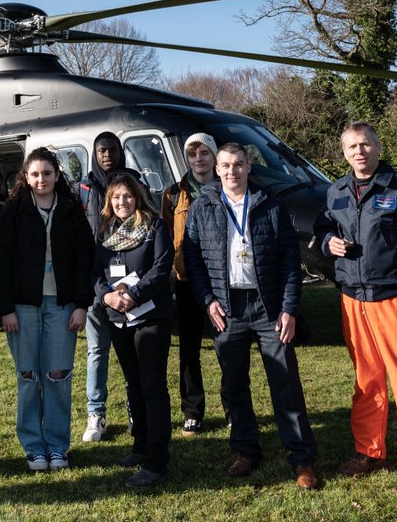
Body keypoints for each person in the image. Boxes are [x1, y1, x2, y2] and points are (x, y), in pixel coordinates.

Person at [314, 121, 397, 498]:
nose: (359, 151)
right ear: (344, 152)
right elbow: (323, 230)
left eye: (365, 144)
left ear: (378, 147)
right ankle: (369, 452)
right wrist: (328, 244)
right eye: (352, 146)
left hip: (394, 299)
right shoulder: (336, 190)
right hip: (353, 299)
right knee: (366, 382)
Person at [183, 142, 320, 490]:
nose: (232, 171)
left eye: (239, 164)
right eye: (226, 165)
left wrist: (289, 308)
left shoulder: (270, 204)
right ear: (217, 169)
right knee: (234, 384)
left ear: (249, 167)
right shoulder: (202, 206)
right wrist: (207, 301)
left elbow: (291, 260)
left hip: (268, 307)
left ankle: (302, 459)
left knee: (285, 383)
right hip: (226, 309)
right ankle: (246, 451)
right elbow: (193, 259)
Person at [0, 147, 94, 471]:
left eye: (47, 173)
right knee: (28, 376)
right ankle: (33, 446)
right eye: (35, 174)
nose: (41, 180)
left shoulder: (71, 209)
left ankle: (56, 446)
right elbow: (2, 263)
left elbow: (85, 260)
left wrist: (81, 305)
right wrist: (5, 308)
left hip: (62, 305)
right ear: (26, 176)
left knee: (57, 376)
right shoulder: (12, 212)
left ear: (56, 174)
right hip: (23, 307)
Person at [95, 173, 174, 489]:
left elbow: (161, 267)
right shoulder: (105, 231)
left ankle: (157, 462)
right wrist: (107, 296)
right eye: (116, 197)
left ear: (138, 197)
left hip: (150, 317)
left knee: (152, 387)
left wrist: (134, 295)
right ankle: (140, 446)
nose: (121, 202)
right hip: (118, 318)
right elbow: (94, 272)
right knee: (133, 384)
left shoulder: (156, 226)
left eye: (127, 196)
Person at [159, 132, 225, 435]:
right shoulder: (173, 194)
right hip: (187, 281)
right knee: (189, 349)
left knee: (228, 347)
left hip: (222, 282)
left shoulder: (230, 188)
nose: (199, 159)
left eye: (204, 153)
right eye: (193, 154)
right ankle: (193, 411)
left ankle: (233, 407)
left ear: (214, 156)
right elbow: (166, 235)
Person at [78, 131, 141, 442]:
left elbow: (148, 227)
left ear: (120, 152)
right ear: (94, 153)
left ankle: (135, 409)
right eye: (101, 150)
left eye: (112, 150)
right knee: (96, 350)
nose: (107, 155)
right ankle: (96, 414)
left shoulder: (134, 183)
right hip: (94, 283)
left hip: (129, 286)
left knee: (131, 352)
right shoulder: (83, 188)